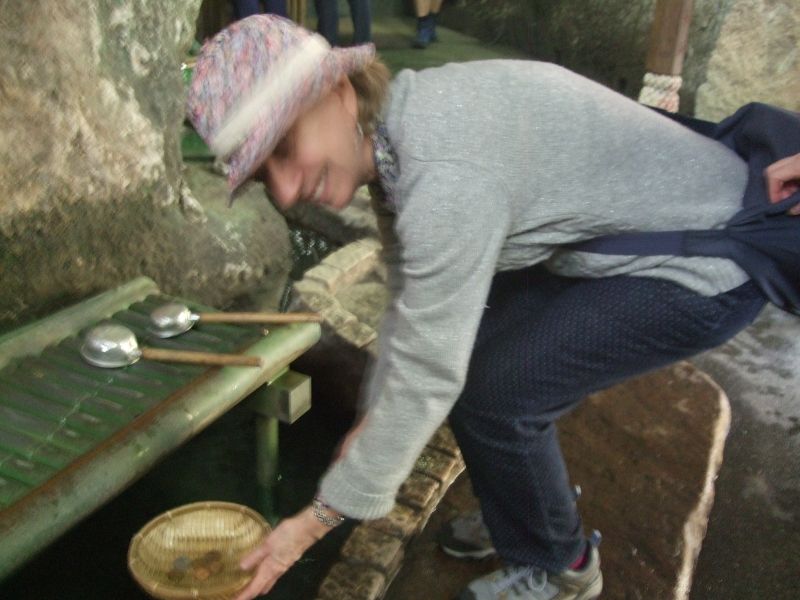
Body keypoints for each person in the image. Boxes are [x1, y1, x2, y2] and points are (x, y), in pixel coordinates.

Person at [185, 15, 798, 600]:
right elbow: (411, 301)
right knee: (474, 356)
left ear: (341, 92)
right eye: (265, 175)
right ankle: (523, 499)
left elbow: (427, 371)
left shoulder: (444, 173)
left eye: (285, 148)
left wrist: (313, 522)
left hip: (704, 263)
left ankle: (564, 567)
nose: (287, 190)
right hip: (623, 241)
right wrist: (372, 417)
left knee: (497, 393)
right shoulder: (403, 132)